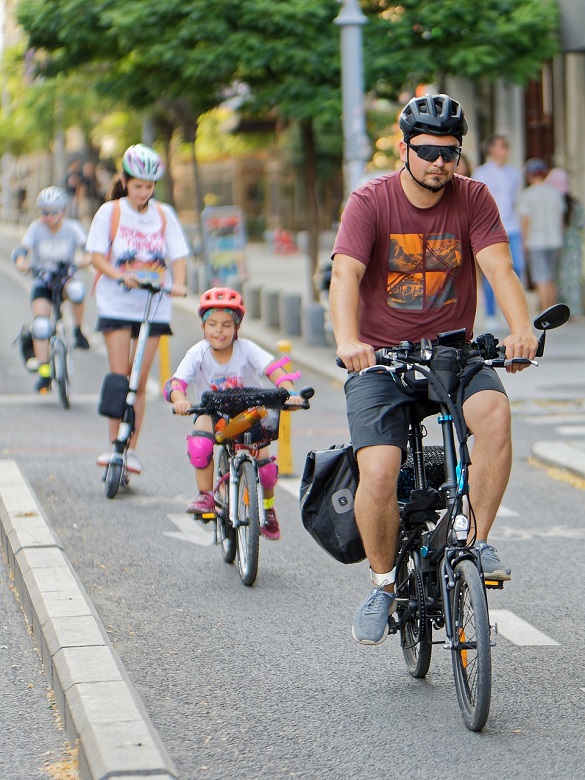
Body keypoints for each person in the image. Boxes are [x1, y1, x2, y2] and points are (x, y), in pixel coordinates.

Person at [329, 93, 538, 646]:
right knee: (376, 471)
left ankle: (474, 538)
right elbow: (345, 275)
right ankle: (381, 584)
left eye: (450, 152)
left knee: (494, 414)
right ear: (404, 149)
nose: (439, 163)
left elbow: (498, 266)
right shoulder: (370, 201)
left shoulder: (474, 198)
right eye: (426, 152)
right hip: (382, 360)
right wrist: (349, 341)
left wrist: (521, 331)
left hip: (452, 354)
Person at [164, 287, 304, 540]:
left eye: (227, 325)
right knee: (199, 445)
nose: (219, 331)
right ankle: (206, 495)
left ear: (237, 327)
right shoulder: (197, 353)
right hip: (215, 414)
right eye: (213, 324)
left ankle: (268, 509)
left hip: (250, 414)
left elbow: (274, 370)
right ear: (203, 327)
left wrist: (288, 391)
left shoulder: (247, 349)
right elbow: (177, 383)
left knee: (267, 470)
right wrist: (180, 400)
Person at [86, 143, 188, 475]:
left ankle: (131, 449)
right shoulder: (111, 212)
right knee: (121, 376)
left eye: (149, 187)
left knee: (140, 381)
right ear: (125, 182)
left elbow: (178, 255)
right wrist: (120, 275)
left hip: (153, 304)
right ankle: (114, 444)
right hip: (117, 301)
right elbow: (97, 256)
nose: (144, 193)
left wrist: (181, 283)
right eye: (138, 186)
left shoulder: (163, 214)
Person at [12, 186, 91, 394]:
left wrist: (83, 261)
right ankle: (44, 372)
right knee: (40, 326)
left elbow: (89, 251)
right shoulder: (36, 228)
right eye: (44, 212)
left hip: (65, 278)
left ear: (63, 211)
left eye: (54, 212)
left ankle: (78, 330)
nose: (49, 217)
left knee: (76, 290)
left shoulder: (72, 228)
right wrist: (21, 261)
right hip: (43, 281)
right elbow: (22, 250)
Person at [473, 134, 525, 330]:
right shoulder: (481, 173)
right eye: (501, 146)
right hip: (491, 228)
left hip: (512, 225)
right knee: (492, 270)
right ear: (491, 149)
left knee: (517, 267)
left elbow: (515, 200)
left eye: (506, 146)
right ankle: (491, 313)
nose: (505, 150)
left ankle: (508, 311)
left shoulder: (514, 173)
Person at [518, 158, 565, 312]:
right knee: (551, 278)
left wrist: (523, 242)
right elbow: (560, 219)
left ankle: (545, 311)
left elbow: (526, 221)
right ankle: (552, 310)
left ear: (529, 175)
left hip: (535, 241)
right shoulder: (555, 194)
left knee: (541, 278)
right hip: (554, 240)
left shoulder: (527, 195)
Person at [546, 167, 585, 317]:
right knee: (573, 277)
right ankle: (573, 311)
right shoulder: (574, 203)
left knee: (559, 277)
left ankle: (560, 312)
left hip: (556, 242)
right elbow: (581, 223)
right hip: (573, 244)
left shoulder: (552, 202)